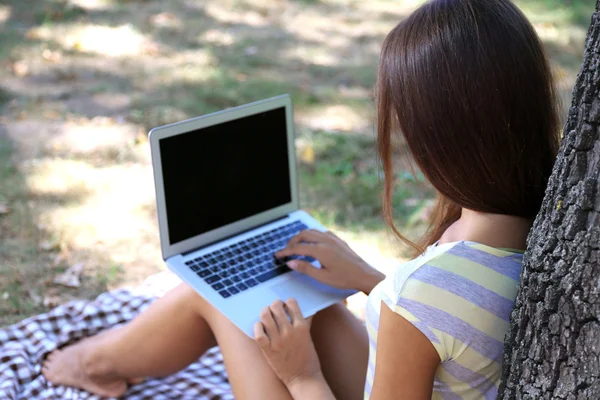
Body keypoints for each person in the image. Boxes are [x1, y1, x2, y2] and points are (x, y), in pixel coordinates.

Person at [42, 0, 560, 398]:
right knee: (287, 293)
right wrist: (366, 280)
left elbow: (429, 311)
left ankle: (93, 366)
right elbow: (450, 328)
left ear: (436, 139)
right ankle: (99, 361)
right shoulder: (542, 216)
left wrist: (301, 374)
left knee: (224, 298)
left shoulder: (421, 294)